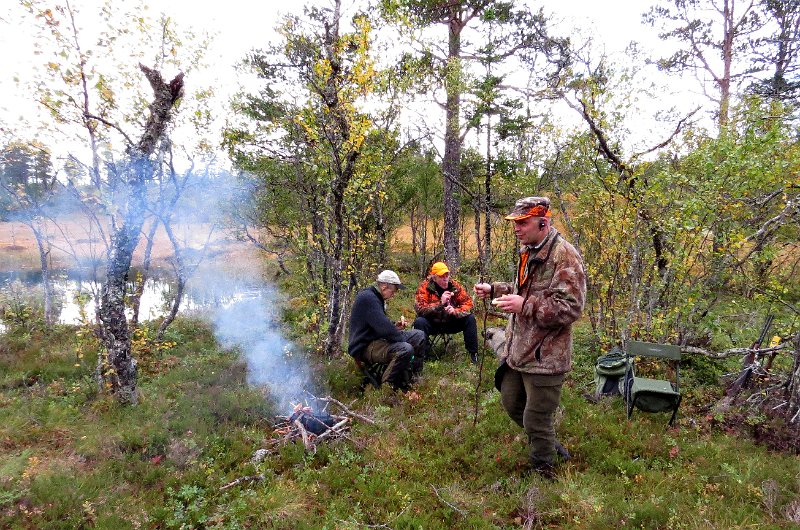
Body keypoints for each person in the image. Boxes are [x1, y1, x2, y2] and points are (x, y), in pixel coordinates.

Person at [474, 196, 586, 479]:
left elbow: (571, 307)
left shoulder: (564, 255)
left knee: (537, 418)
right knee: (512, 402)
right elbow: (524, 287)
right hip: (518, 349)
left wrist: (526, 306)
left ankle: (543, 474)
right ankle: (547, 442)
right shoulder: (530, 249)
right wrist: (495, 288)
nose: (517, 228)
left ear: (543, 222)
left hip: (545, 357)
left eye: (523, 222)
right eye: (515, 222)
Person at [348, 270, 426, 391]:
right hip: (364, 346)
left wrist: (395, 326)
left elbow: (379, 324)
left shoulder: (375, 297)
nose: (394, 294)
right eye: (393, 290)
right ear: (384, 286)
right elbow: (384, 330)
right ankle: (387, 388)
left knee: (419, 335)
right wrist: (400, 338)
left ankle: (412, 379)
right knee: (405, 349)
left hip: (376, 340)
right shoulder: (368, 298)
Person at [412, 261, 479, 364]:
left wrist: (455, 311)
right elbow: (420, 310)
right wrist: (440, 304)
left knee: (470, 319)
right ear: (434, 278)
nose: (445, 278)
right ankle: (422, 356)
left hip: (451, 321)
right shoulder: (424, 288)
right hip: (432, 323)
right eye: (442, 276)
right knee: (419, 322)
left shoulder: (455, 286)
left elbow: (469, 304)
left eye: (447, 274)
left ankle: (473, 354)